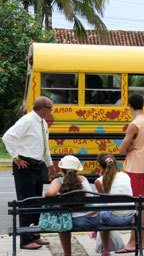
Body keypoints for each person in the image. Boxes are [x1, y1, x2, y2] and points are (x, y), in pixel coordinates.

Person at [2, 96, 56, 250]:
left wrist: (50, 166)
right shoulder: (27, 120)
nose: (51, 112)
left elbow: (45, 147)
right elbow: (7, 137)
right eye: (50, 109)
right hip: (25, 166)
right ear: (43, 108)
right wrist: (16, 158)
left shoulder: (43, 123)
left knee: (36, 202)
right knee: (26, 202)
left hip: (38, 165)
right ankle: (25, 240)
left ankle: (34, 234)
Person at [117, 94, 144, 253]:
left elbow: (121, 149)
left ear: (130, 106)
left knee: (137, 205)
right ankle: (141, 240)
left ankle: (133, 242)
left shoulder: (134, 124)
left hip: (135, 167)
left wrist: (128, 147)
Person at [44, 155, 99, 256]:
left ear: (61, 169)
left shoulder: (59, 181)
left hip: (75, 222)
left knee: (63, 222)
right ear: (77, 170)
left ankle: (67, 254)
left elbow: (49, 194)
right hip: (93, 220)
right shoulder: (83, 180)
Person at [95, 154, 135, 256]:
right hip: (130, 218)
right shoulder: (126, 176)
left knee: (101, 212)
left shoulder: (99, 181)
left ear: (101, 167)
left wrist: (100, 175)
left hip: (112, 219)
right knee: (106, 211)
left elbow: (103, 201)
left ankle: (105, 250)